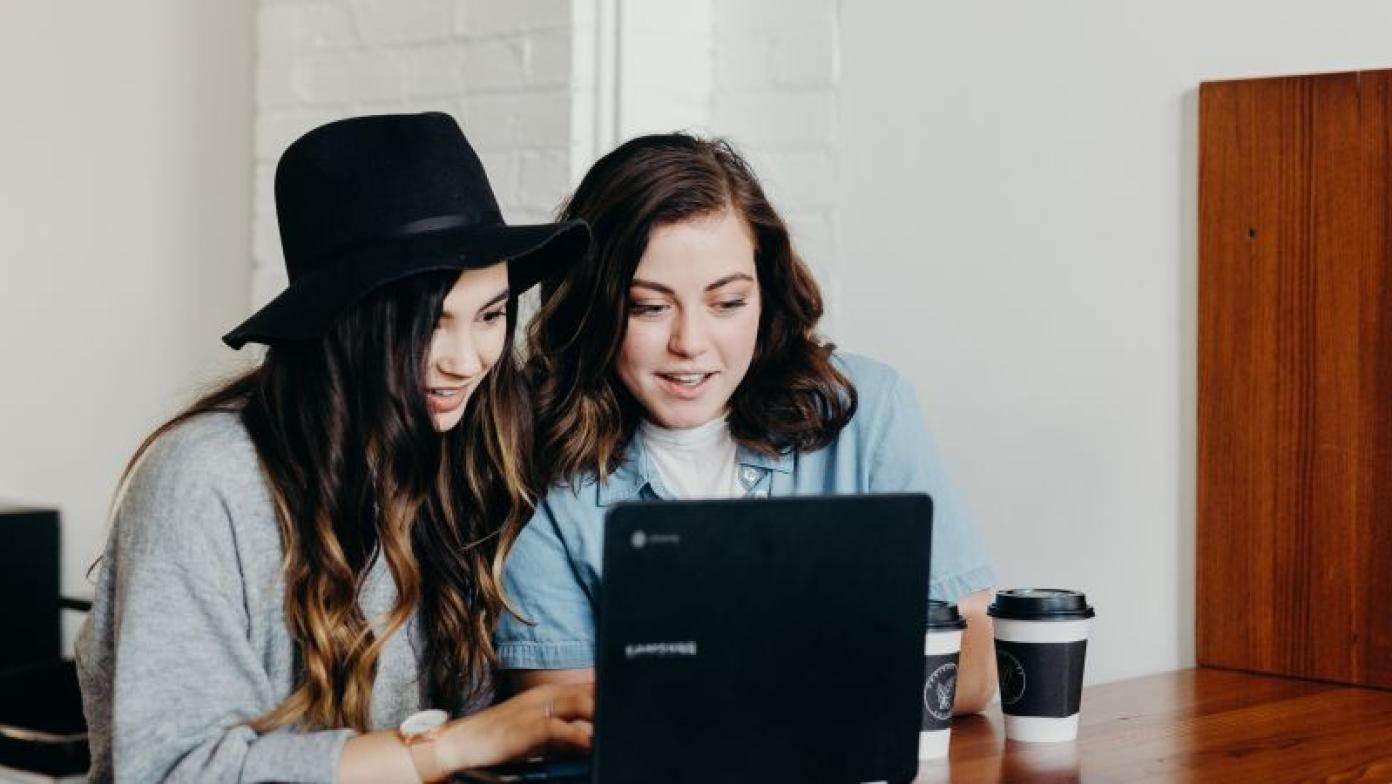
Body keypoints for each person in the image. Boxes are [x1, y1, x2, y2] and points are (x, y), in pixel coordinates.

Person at [76, 113, 595, 783]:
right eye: (429, 325)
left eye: (491, 315)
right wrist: (463, 744)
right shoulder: (205, 479)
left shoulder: (469, 452)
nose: (467, 361)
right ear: (345, 323)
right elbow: (173, 771)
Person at [496, 133, 999, 713]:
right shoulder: (537, 457)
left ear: (766, 293)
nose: (690, 343)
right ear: (594, 308)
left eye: (727, 302)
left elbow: (972, 666)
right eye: (649, 307)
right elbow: (560, 714)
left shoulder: (867, 410)